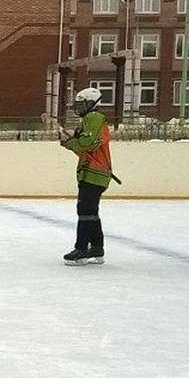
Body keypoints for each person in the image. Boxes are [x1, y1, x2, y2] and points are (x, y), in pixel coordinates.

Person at [58, 86, 112, 266]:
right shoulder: (88, 120)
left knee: (85, 210)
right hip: (93, 172)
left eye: (82, 104)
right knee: (91, 211)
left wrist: (72, 143)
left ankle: (81, 249)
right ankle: (96, 247)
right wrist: (71, 143)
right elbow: (85, 149)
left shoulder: (94, 118)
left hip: (94, 173)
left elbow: (89, 143)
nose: (78, 108)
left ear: (91, 103)